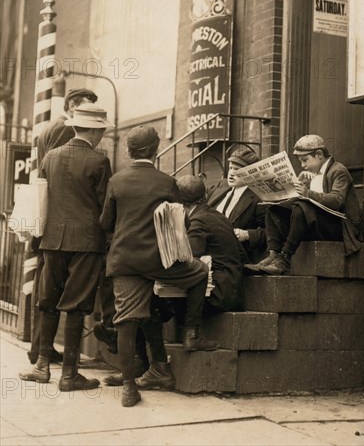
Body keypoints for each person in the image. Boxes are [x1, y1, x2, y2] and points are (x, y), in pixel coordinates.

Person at [99, 125, 218, 408]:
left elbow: (105, 223)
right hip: (159, 261)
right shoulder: (167, 182)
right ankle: (192, 333)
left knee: (126, 321)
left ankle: (129, 387)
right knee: (200, 272)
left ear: (128, 151)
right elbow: (182, 222)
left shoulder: (116, 181)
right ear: (155, 151)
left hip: (125, 261)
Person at [19, 104, 113, 392]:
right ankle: (69, 374)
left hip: (52, 240)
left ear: (74, 126)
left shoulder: (51, 157)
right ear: (96, 131)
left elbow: (43, 197)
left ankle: (42, 366)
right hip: (87, 243)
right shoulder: (100, 160)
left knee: (47, 300)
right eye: (101, 130)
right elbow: (105, 205)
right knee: (76, 305)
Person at [28, 88, 98, 365]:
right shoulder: (63, 129)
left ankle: (41, 352)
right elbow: (63, 177)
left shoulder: (50, 128)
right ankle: (40, 351)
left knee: (48, 290)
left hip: (53, 226)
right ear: (71, 107)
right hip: (65, 226)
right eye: (85, 109)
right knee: (55, 292)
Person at [244, 135, 362, 276]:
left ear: (319, 155)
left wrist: (307, 193)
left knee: (301, 207)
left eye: (305, 160)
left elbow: (336, 201)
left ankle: (285, 259)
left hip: (338, 227)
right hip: (317, 222)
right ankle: (273, 255)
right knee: (273, 209)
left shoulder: (338, 170)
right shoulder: (313, 174)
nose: (302, 165)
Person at [178, 175, 245, 314]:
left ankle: (190, 333)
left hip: (216, 295)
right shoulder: (218, 215)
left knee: (157, 299)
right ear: (206, 194)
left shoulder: (198, 221)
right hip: (230, 289)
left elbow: (188, 258)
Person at [207, 147, 267, 264]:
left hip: (232, 256)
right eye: (230, 168)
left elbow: (270, 232)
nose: (232, 173)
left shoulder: (259, 197)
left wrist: (247, 234)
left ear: (251, 173)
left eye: (238, 170)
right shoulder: (221, 186)